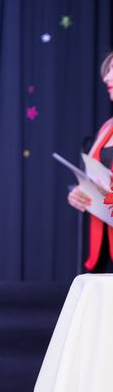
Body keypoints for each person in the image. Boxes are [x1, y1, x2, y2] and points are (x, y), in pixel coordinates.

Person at [67, 51, 113, 273]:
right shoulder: (106, 128)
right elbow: (99, 179)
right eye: (107, 71)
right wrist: (81, 192)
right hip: (103, 251)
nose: (106, 77)